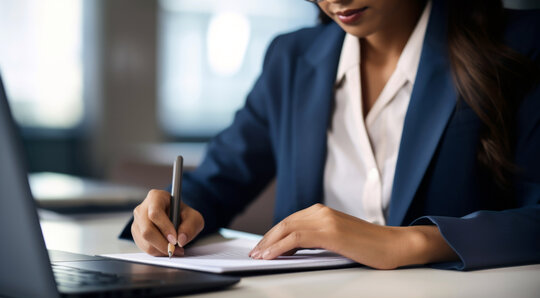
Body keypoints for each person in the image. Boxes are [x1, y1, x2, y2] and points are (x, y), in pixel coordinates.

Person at [128, 0, 540, 270]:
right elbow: (217, 182)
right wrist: (173, 209)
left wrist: (410, 243)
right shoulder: (290, 58)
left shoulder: (520, 44)